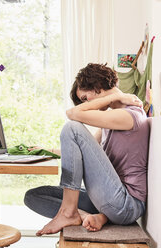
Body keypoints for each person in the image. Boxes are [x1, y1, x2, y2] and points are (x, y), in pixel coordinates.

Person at [24, 63, 150, 236]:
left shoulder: (129, 116)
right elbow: (80, 152)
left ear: (97, 88)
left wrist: (112, 98)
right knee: (33, 196)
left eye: (85, 98)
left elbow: (73, 115)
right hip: (111, 198)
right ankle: (86, 216)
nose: (86, 104)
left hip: (127, 205)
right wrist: (44, 151)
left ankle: (68, 213)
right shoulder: (109, 122)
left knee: (72, 128)